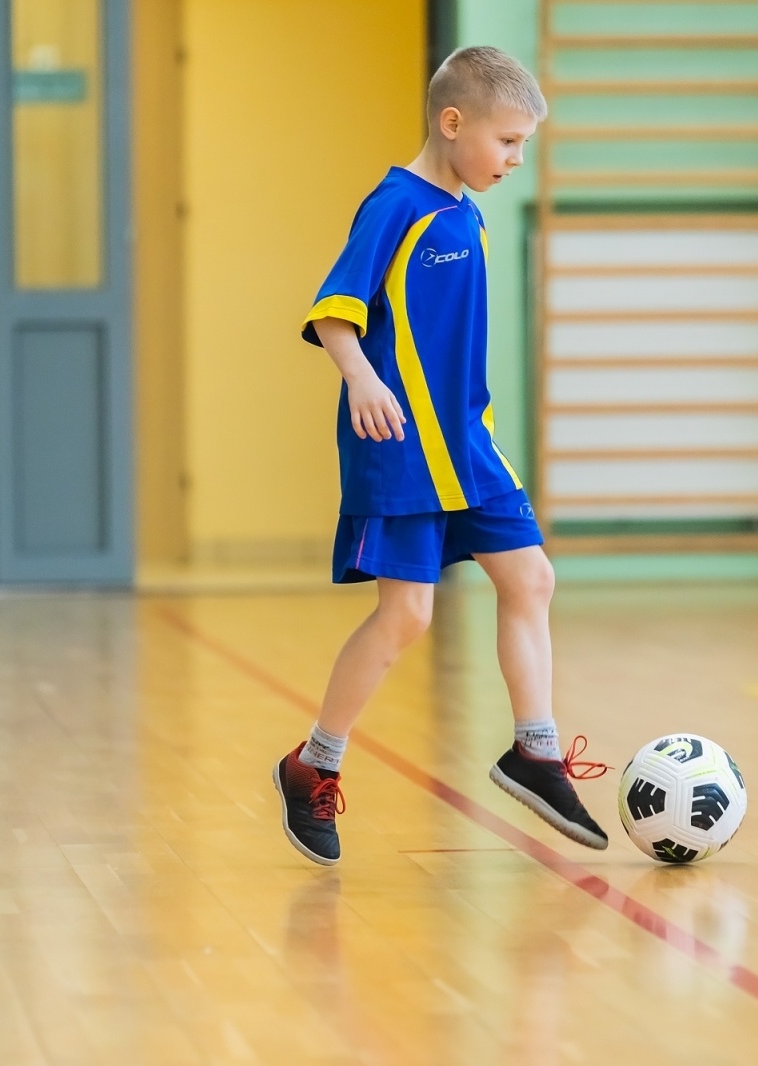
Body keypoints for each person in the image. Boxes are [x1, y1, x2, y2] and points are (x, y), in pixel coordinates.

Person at [272, 46, 609, 866]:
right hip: (399, 445)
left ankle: (534, 749)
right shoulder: (396, 205)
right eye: (506, 142)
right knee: (407, 616)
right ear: (452, 123)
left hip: (467, 442)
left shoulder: (467, 211)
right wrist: (360, 379)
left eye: (524, 145)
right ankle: (312, 763)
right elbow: (333, 312)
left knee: (531, 578)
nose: (515, 160)